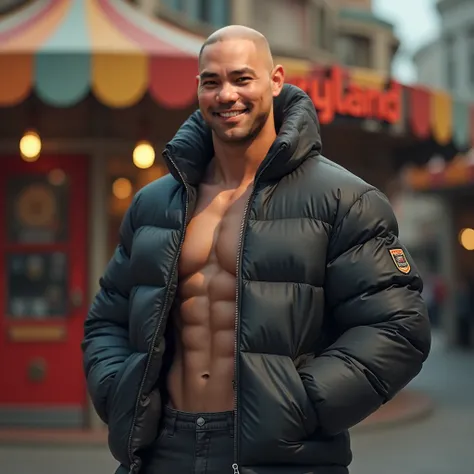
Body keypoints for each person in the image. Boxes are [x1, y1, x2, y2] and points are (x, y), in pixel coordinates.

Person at [82, 25, 431, 474]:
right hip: (161, 448)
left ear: (276, 80)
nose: (227, 94)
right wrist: (118, 389)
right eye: (212, 81)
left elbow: (398, 327)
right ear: (199, 90)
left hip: (281, 452)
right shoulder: (154, 204)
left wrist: (299, 406)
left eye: (242, 78)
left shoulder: (344, 199)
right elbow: (107, 319)